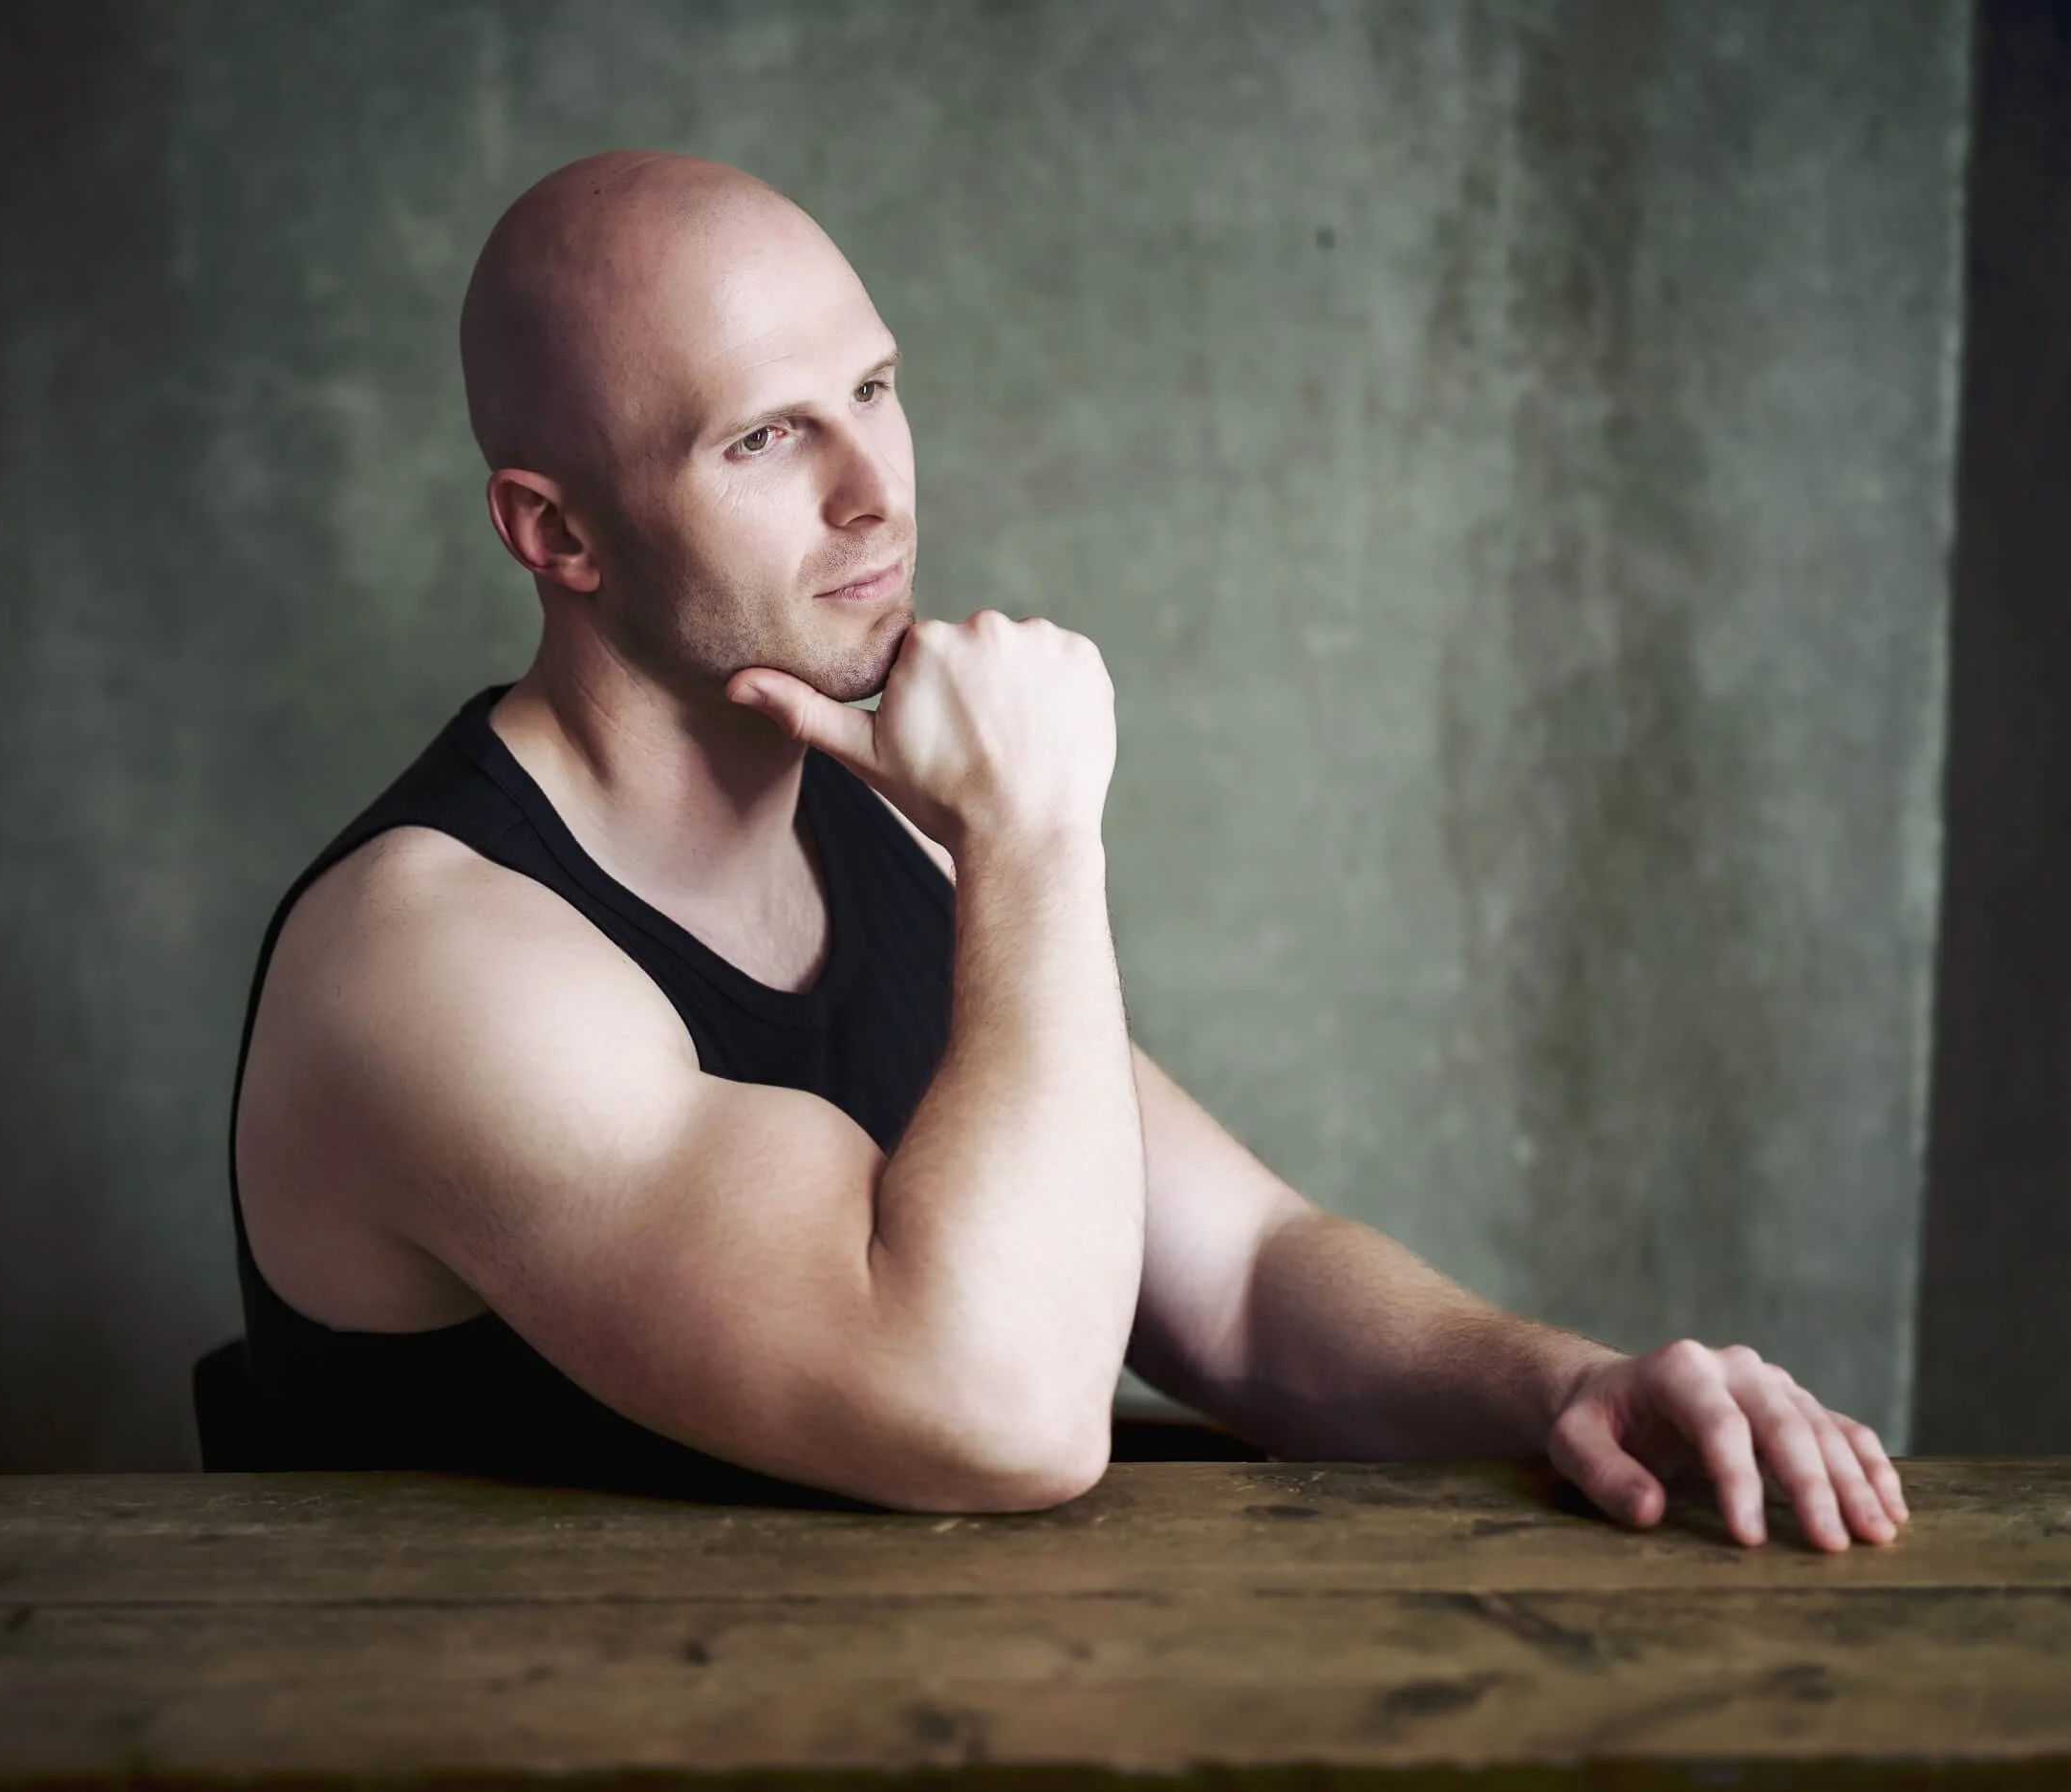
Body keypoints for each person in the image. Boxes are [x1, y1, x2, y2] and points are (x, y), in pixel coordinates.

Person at [225, 149, 1908, 1547]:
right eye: (762, 437)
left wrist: (1559, 1385)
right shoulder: (432, 959)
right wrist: (1034, 836)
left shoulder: (880, 817)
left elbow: (1237, 1277)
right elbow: (1003, 1413)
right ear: (556, 529)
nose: (874, 489)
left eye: (875, 389)